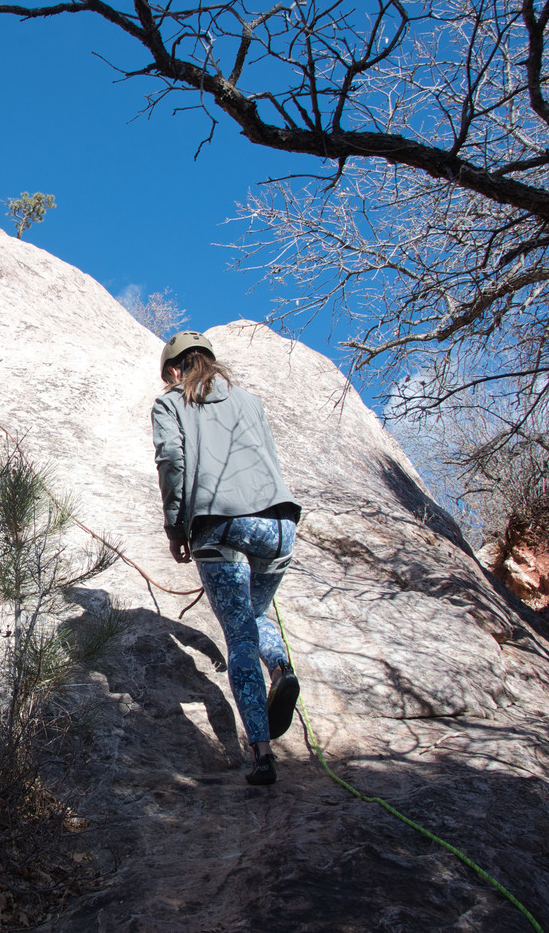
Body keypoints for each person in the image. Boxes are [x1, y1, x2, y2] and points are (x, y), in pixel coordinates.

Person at [151, 330, 302, 786]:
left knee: (237, 638)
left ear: (175, 370)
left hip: (220, 526)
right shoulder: (250, 401)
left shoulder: (171, 404)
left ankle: (260, 753)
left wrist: (176, 528)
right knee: (254, 614)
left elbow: (172, 462)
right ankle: (280, 668)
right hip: (279, 527)